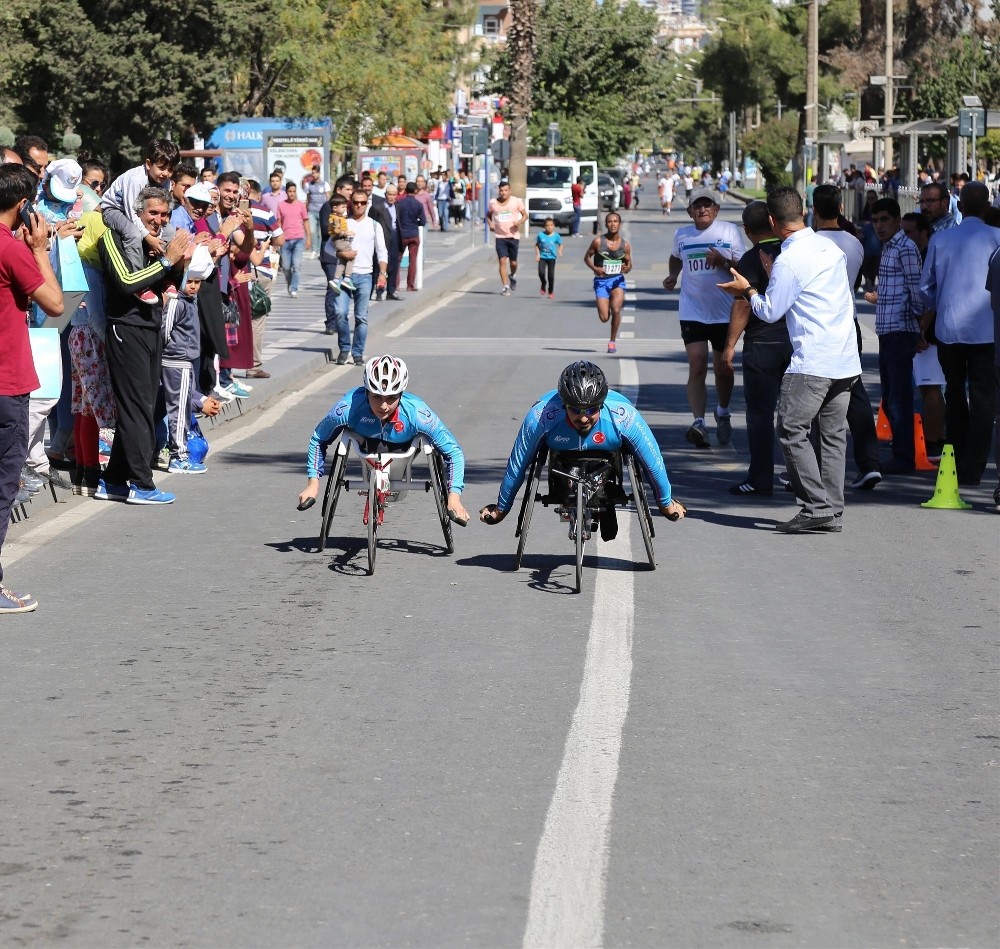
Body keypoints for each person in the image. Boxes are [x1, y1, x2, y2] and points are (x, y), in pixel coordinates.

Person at [719, 187, 861, 533]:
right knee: (832, 435)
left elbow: (770, 311)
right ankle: (831, 511)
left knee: (790, 429)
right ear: (804, 212)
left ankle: (815, 506)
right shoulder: (830, 248)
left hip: (813, 360)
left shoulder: (790, 260)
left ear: (772, 220)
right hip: (845, 358)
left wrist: (748, 290)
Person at [478, 361, 686, 539]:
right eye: (575, 410)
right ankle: (568, 494)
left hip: (608, 452)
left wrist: (665, 504)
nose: (584, 417)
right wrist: (501, 509)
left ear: (602, 405)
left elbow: (653, 463)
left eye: (591, 410)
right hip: (561, 457)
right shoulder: (541, 417)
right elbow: (518, 463)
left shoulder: (624, 417)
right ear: (563, 404)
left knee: (636, 457)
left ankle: (607, 493)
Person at [97, 186, 192, 505]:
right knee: (137, 406)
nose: (159, 220)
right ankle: (142, 483)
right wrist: (167, 261)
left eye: (164, 214)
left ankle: (113, 480)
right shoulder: (112, 237)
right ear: (135, 212)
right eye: (153, 213)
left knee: (145, 405)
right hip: (125, 328)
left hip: (151, 328)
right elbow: (126, 282)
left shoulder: (158, 242)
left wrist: (179, 263)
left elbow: (171, 287)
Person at [297, 354, 470, 523]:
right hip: (366, 444)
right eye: (376, 396)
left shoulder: (418, 414)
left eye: (391, 398)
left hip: (405, 447)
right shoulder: (346, 409)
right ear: (366, 392)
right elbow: (319, 439)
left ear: (401, 395)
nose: (383, 406)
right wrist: (313, 484)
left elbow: (453, 452)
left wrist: (454, 496)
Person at [0, 163, 64, 612]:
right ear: (23, 206)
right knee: (3, 485)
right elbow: (56, 304)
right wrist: (40, 249)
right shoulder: (12, 249)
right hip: (6, 383)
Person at [919, 181, 1000, 486]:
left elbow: (926, 287)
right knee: (984, 399)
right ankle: (974, 466)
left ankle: (955, 457)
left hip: (950, 327)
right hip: (988, 329)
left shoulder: (942, 238)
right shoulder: (997, 238)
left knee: (953, 393)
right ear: (987, 207)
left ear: (959, 206)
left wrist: (938, 302)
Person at [811, 184, 882, 491]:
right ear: (841, 208)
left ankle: (809, 469)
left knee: (810, 394)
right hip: (848, 323)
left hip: (818, 325)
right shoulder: (854, 243)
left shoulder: (808, 244)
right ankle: (869, 463)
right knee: (855, 393)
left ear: (813, 210)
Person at [662, 187, 745, 447]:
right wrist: (674, 275)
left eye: (708, 205)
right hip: (692, 310)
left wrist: (722, 261)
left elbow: (743, 268)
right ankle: (698, 422)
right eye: (697, 206)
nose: (703, 209)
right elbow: (676, 258)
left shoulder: (729, 231)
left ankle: (722, 411)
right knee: (697, 364)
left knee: (724, 367)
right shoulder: (682, 234)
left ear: (716, 209)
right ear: (690, 212)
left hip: (724, 312)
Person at [721, 200, 790, 496]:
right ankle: (800, 478)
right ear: (774, 222)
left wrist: (729, 346)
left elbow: (742, 305)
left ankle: (761, 478)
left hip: (762, 344)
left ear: (747, 230)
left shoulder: (750, 259)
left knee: (760, 415)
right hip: (796, 342)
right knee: (796, 416)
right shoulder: (793, 252)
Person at [862, 197, 923, 473]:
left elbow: (916, 290)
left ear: (898, 220)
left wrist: (916, 326)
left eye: (885, 220)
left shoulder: (905, 248)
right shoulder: (889, 248)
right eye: (875, 221)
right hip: (887, 330)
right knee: (890, 394)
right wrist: (881, 298)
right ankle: (900, 448)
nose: (879, 226)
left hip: (900, 330)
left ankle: (904, 456)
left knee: (899, 396)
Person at [160, 246, 221, 473]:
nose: (194, 286)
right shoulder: (177, 302)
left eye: (198, 282)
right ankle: (179, 456)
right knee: (179, 412)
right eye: (190, 281)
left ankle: (179, 453)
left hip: (183, 362)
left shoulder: (188, 302)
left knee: (183, 409)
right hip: (177, 361)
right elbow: (165, 331)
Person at [333, 189, 388, 366]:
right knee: (340, 313)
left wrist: (382, 273)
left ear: (367, 204)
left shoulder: (374, 225)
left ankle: (357, 352)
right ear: (351, 203)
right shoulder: (343, 223)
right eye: (356, 202)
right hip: (344, 276)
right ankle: (344, 348)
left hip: (365, 276)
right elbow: (328, 247)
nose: (359, 205)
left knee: (361, 317)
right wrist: (343, 253)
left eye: (362, 203)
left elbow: (382, 251)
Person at [584, 212, 631, 354]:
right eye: (610, 221)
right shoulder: (598, 242)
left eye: (615, 221)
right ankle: (605, 300)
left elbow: (629, 264)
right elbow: (587, 257)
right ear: (606, 225)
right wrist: (595, 268)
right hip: (601, 282)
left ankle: (612, 341)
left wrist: (627, 268)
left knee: (616, 309)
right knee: (604, 317)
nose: (612, 224)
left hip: (617, 280)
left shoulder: (625, 245)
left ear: (620, 224)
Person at [487, 178, 527, 296]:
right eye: (501, 190)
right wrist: (490, 223)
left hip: (513, 236)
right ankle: (505, 286)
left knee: (513, 263)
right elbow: (488, 215)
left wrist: (519, 222)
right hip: (500, 236)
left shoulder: (516, 201)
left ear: (510, 191)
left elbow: (525, 215)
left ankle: (513, 275)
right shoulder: (493, 203)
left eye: (506, 190)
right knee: (502, 261)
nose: (504, 192)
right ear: (499, 191)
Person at [275, 182, 310, 297]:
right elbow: (278, 223)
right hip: (285, 240)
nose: (292, 194)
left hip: (299, 238)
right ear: (286, 192)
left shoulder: (301, 205)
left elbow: (305, 221)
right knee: (285, 267)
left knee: (296, 265)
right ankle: (290, 283)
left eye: (294, 191)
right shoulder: (281, 205)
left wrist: (308, 237)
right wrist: (276, 239)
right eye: (290, 191)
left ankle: (294, 288)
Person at [395, 182, 425, 293]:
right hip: (413, 234)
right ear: (416, 191)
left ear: (406, 190)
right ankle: (410, 285)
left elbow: (396, 218)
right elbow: (423, 221)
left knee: (397, 260)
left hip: (402, 234)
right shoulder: (418, 204)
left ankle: (396, 284)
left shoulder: (400, 203)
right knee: (413, 261)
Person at [324, 194, 356, 294]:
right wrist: (347, 233)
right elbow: (337, 230)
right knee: (351, 256)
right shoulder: (336, 219)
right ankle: (347, 277)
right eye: (342, 207)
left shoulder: (337, 217)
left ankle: (336, 279)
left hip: (338, 240)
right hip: (340, 240)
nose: (345, 209)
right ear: (334, 208)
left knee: (342, 260)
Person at [534, 216, 563, 298]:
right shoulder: (540, 235)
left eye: (551, 225)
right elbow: (537, 245)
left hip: (551, 258)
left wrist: (560, 251)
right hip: (542, 257)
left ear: (553, 226)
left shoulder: (556, 236)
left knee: (551, 276)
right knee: (541, 273)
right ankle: (543, 283)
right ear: (544, 226)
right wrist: (537, 254)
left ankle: (550, 291)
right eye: (547, 225)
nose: (549, 227)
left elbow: (561, 244)